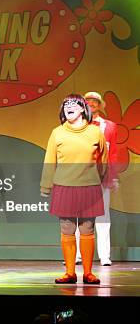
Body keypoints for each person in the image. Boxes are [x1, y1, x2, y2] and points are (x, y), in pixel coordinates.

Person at [41, 94, 107, 284]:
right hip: (64, 186)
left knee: (87, 229)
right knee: (67, 229)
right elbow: (50, 160)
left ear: (82, 109)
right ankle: (70, 273)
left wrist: (101, 179)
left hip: (89, 187)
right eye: (65, 105)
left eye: (73, 104)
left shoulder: (95, 133)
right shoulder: (57, 133)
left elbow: (103, 159)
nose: (68, 108)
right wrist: (46, 185)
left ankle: (88, 273)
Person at [71, 92, 117, 266]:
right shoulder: (75, 125)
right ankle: (77, 256)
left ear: (100, 105)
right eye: (87, 101)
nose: (91, 103)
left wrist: (113, 177)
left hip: (101, 176)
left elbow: (112, 154)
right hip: (80, 177)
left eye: (95, 101)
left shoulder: (110, 127)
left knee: (103, 216)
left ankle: (104, 256)